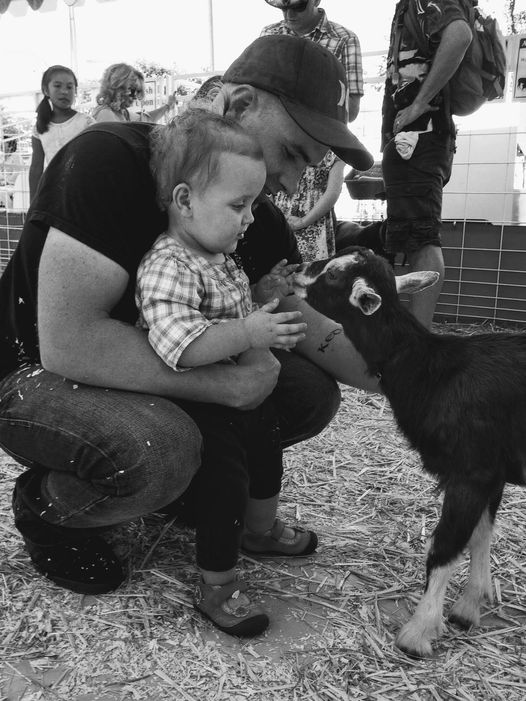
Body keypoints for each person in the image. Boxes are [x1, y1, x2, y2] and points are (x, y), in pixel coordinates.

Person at [0, 34, 375, 627]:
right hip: (36, 375)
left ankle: (182, 493)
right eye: (294, 153)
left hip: (142, 373)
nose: (290, 181)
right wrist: (223, 387)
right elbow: (69, 342)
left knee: (306, 392)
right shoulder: (108, 160)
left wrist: (414, 372)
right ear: (240, 104)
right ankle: (49, 509)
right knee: (165, 445)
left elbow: (295, 322)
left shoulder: (252, 212)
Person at [136, 108, 316, 634]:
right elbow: (180, 346)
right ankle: (218, 584)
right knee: (225, 484)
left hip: (239, 396)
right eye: (239, 205)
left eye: (253, 204)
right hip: (200, 405)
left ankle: (259, 532)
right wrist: (250, 333)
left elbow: (228, 313)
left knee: (267, 456)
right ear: (186, 201)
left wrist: (261, 296)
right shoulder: (168, 263)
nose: (251, 218)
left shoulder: (218, 255)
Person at [381, 0, 472, 328]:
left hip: (421, 137)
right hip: (414, 140)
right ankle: (412, 333)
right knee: (412, 235)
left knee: (421, 237)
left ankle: (418, 339)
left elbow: (459, 34)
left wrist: (419, 104)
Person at [261, 0, 363, 261]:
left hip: (318, 145)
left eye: (297, 7)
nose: (288, 15)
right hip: (275, 154)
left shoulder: (343, 39)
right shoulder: (270, 34)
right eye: (283, 9)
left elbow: (349, 110)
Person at [28, 65, 95, 202]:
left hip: (84, 194)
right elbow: (36, 168)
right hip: (54, 197)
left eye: (70, 87)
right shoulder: (39, 128)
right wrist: (33, 204)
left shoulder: (87, 123)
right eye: (57, 86)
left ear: (75, 91)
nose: (64, 92)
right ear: (46, 90)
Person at [92, 63, 175, 124]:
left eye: (138, 91)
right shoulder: (105, 114)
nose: (135, 96)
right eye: (132, 90)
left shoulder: (123, 113)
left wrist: (168, 106)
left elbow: (147, 119)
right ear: (118, 88)